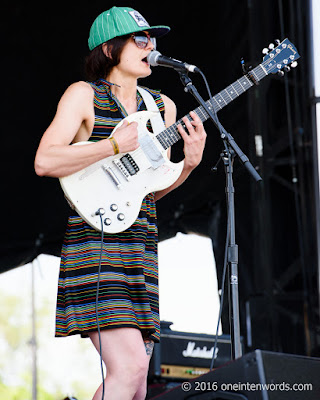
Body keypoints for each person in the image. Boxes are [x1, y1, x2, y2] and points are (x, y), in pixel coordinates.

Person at [34, 6, 206, 400]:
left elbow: (149, 191)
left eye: (153, 39)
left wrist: (188, 167)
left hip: (140, 242)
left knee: (136, 383)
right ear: (110, 49)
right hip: (95, 242)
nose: (151, 46)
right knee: (128, 369)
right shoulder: (83, 95)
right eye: (140, 39)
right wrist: (112, 145)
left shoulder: (163, 107)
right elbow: (45, 160)